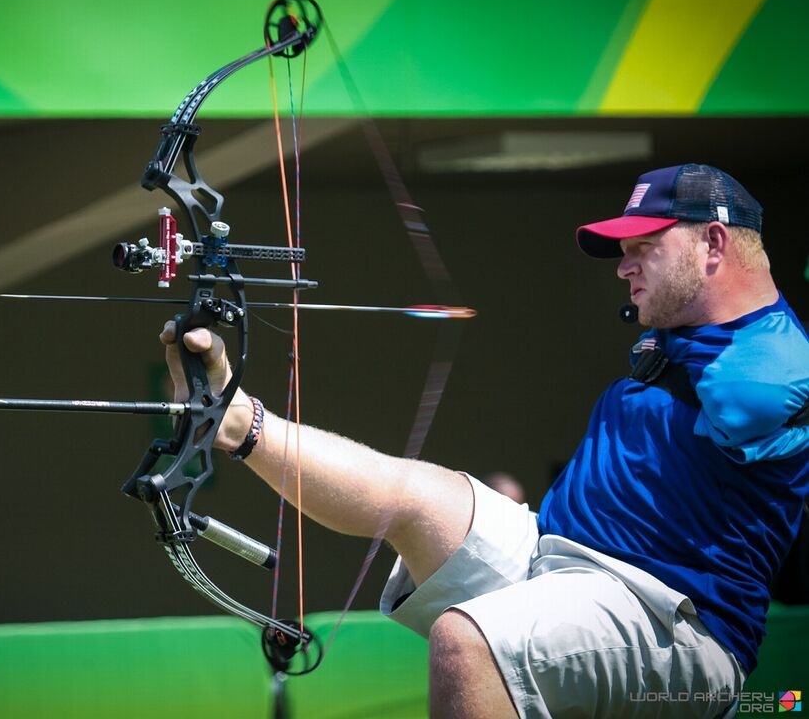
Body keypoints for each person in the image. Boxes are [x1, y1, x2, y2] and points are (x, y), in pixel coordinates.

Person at [161, 163, 809, 718]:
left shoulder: (773, 363)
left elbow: (757, 399)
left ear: (714, 245)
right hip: (557, 554)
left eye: (645, 246)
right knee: (414, 495)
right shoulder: (689, 335)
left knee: (469, 639)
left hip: (678, 625)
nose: (624, 267)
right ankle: (236, 421)